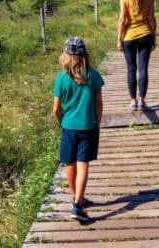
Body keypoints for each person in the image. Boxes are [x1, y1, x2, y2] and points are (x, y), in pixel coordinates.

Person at [51, 37, 104, 222]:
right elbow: (99, 104)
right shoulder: (94, 76)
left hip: (68, 127)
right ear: (84, 55)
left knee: (70, 164)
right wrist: (97, 123)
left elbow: (56, 109)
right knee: (83, 165)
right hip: (88, 126)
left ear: (66, 56)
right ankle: (78, 204)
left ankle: (77, 198)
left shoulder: (61, 78)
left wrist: (62, 122)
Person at [117, 0, 157, 111]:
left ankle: (133, 101)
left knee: (131, 69)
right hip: (146, 35)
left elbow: (122, 20)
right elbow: (151, 19)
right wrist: (154, 36)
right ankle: (142, 101)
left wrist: (119, 39)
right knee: (143, 68)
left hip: (129, 37)